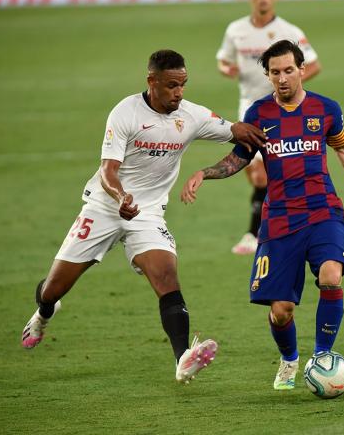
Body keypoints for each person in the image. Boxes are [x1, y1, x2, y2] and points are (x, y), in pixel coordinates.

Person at [20, 49, 267, 385]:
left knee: (167, 275)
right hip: (105, 207)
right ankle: (43, 314)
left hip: (147, 214)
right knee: (53, 290)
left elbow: (241, 132)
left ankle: (183, 358)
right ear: (152, 81)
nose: (178, 93)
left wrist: (276, 127)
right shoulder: (125, 113)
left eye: (183, 85)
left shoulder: (191, 115)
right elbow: (108, 171)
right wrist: (121, 197)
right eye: (171, 86)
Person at [182, 40, 344, 390]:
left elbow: (343, 149)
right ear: (267, 74)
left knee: (331, 277)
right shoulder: (259, 115)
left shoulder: (326, 109)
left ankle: (322, 355)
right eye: (274, 72)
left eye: (288, 70)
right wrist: (205, 172)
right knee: (281, 311)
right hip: (279, 219)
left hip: (323, 210)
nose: (282, 78)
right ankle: (290, 359)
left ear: (302, 70)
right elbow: (240, 158)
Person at [216, 0, 321, 255]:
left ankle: (254, 234)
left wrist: (290, 83)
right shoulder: (236, 30)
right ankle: (282, 220)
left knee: (263, 174)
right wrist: (226, 69)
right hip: (249, 108)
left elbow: (314, 64)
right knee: (255, 176)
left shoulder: (289, 31)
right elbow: (223, 60)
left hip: (281, 110)